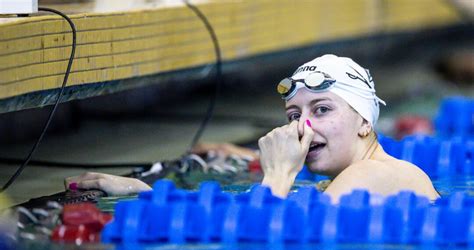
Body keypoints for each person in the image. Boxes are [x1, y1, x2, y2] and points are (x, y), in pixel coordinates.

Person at [65, 54, 440, 202]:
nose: (303, 127)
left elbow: (263, 240)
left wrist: (278, 172)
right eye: (294, 115)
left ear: (363, 121)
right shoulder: (359, 176)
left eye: (322, 109)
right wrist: (143, 193)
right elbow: (237, 214)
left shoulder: (371, 175)